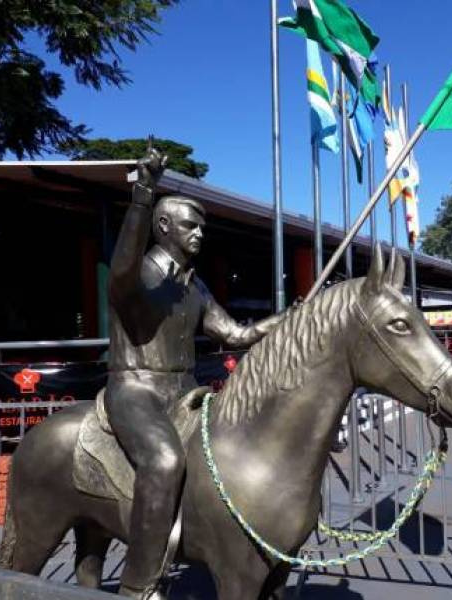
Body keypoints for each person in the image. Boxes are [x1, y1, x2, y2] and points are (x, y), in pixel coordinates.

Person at [106, 144, 281, 599]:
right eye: (190, 225)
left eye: (202, 226)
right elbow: (121, 267)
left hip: (185, 391)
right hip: (136, 391)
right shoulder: (137, 275)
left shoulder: (195, 285)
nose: (200, 233)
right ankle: (138, 586)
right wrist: (143, 195)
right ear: (163, 226)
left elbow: (236, 334)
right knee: (164, 461)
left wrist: (289, 319)